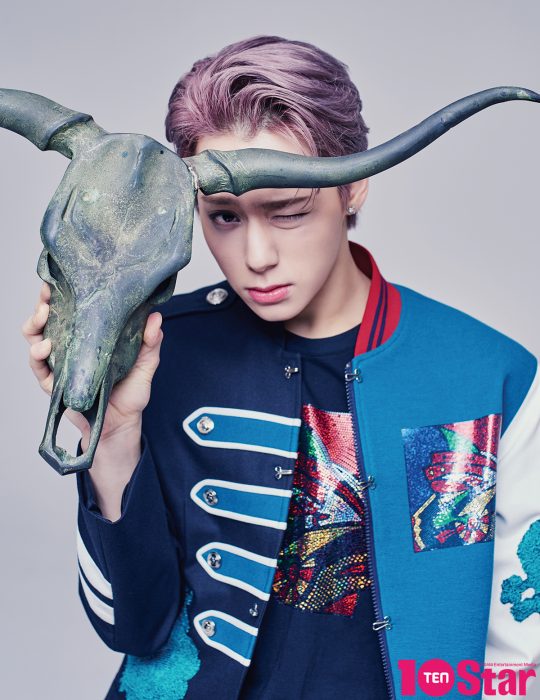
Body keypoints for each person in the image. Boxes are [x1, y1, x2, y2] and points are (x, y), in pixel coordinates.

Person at [22, 35, 539, 700]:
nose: (256, 255)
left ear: (352, 186)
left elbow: (520, 638)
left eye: (288, 211)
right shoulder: (158, 351)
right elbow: (132, 628)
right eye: (223, 217)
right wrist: (113, 434)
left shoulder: (486, 373)